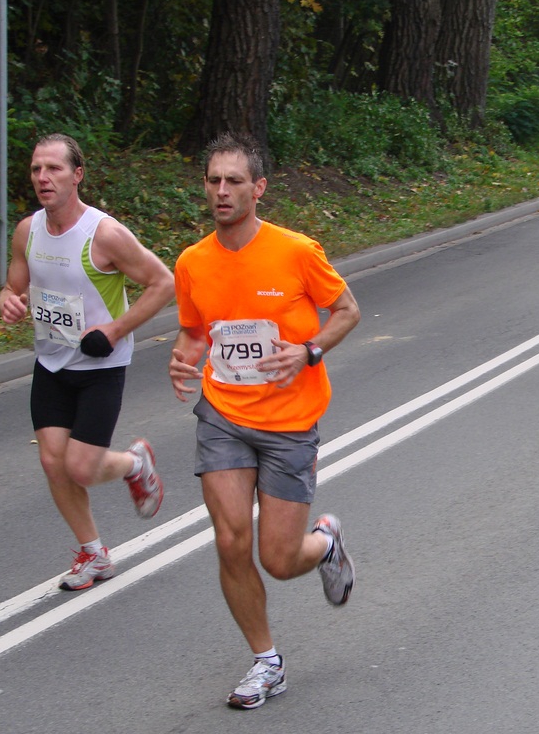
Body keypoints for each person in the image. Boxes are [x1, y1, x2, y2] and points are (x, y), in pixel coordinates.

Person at [168, 132, 360, 710]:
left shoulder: (297, 251)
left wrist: (309, 351)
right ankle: (266, 661)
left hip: (290, 423)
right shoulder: (192, 262)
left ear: (259, 188)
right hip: (223, 414)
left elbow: (347, 310)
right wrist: (183, 358)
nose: (221, 191)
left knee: (278, 560)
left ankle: (323, 544)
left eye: (233, 181)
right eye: (213, 180)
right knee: (230, 540)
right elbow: (197, 328)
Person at [0, 133, 173, 590]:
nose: (43, 177)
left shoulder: (105, 234)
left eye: (54, 168)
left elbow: (162, 283)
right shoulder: (27, 230)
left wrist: (113, 331)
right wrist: (8, 302)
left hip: (101, 367)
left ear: (77, 175)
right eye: (37, 169)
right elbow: (13, 286)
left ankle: (135, 464)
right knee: (54, 464)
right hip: (52, 361)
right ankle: (94, 554)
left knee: (80, 467)